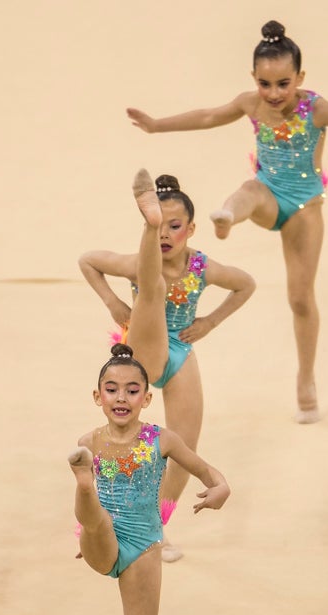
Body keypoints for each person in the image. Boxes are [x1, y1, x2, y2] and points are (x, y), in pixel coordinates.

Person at [126, 20, 328, 423]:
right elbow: (207, 117)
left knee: (300, 298)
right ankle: (226, 216)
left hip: (305, 207)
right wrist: (156, 124)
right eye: (265, 84)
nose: (273, 94)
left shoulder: (317, 109)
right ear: (254, 79)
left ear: (300, 78)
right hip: (267, 194)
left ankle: (306, 378)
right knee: (248, 190)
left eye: (283, 84)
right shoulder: (250, 104)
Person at [69, 336, 230, 615]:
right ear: (97, 396)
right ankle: (87, 491)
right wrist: (86, 528)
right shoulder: (90, 441)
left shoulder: (163, 440)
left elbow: (206, 470)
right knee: (95, 516)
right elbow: (85, 517)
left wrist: (221, 487)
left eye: (132, 390)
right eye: (113, 389)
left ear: (147, 397)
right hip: (101, 536)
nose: (122, 397)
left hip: (143, 544)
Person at [79, 174, 254, 562]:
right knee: (153, 283)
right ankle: (147, 225)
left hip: (180, 349)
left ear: (190, 230)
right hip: (143, 346)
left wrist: (209, 321)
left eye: (175, 227)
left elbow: (246, 284)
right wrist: (112, 302)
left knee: (183, 446)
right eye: (160, 226)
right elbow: (88, 261)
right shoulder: (139, 263)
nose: (168, 235)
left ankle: (155, 529)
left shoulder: (202, 267)